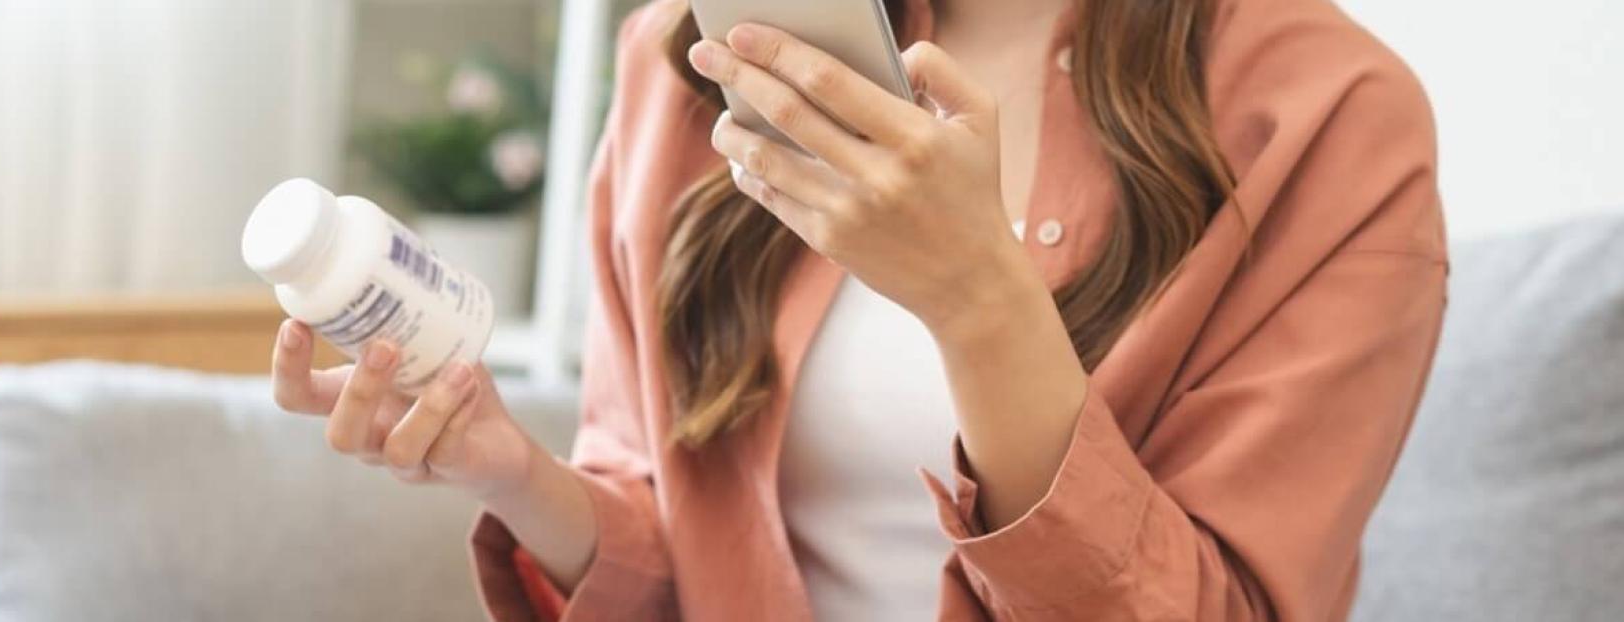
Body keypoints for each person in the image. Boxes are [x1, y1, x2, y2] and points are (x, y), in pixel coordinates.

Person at [270, 0, 1446, 618]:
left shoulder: (1329, 116)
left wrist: (982, 306)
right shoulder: (690, 60)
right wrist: (508, 470)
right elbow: (681, 550)